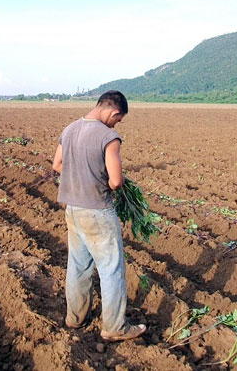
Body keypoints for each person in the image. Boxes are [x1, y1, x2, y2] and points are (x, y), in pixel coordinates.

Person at [52, 90, 146, 342]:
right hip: (97, 211)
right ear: (114, 112)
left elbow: (57, 165)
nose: (117, 124)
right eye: (119, 120)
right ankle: (114, 327)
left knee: (78, 266)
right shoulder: (109, 136)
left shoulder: (70, 129)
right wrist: (115, 180)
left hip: (72, 208)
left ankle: (75, 318)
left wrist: (80, 176)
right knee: (111, 269)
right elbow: (115, 181)